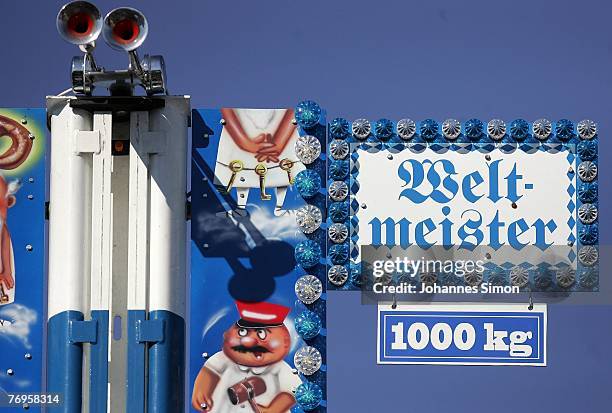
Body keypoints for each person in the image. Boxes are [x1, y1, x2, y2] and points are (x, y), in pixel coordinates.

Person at [192, 301, 302, 413]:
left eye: (261, 334)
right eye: (243, 332)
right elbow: (210, 372)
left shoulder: (279, 368)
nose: (248, 342)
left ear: (286, 342)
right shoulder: (222, 359)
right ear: (226, 335)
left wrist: (274, 409)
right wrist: (202, 390)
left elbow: (292, 391)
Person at [214, 109, 305, 216]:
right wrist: (245, 143)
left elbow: (291, 114)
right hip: (242, 126)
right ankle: (241, 208)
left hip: (278, 126)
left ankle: (279, 207)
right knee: (242, 167)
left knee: (282, 171)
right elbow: (227, 112)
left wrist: (279, 142)